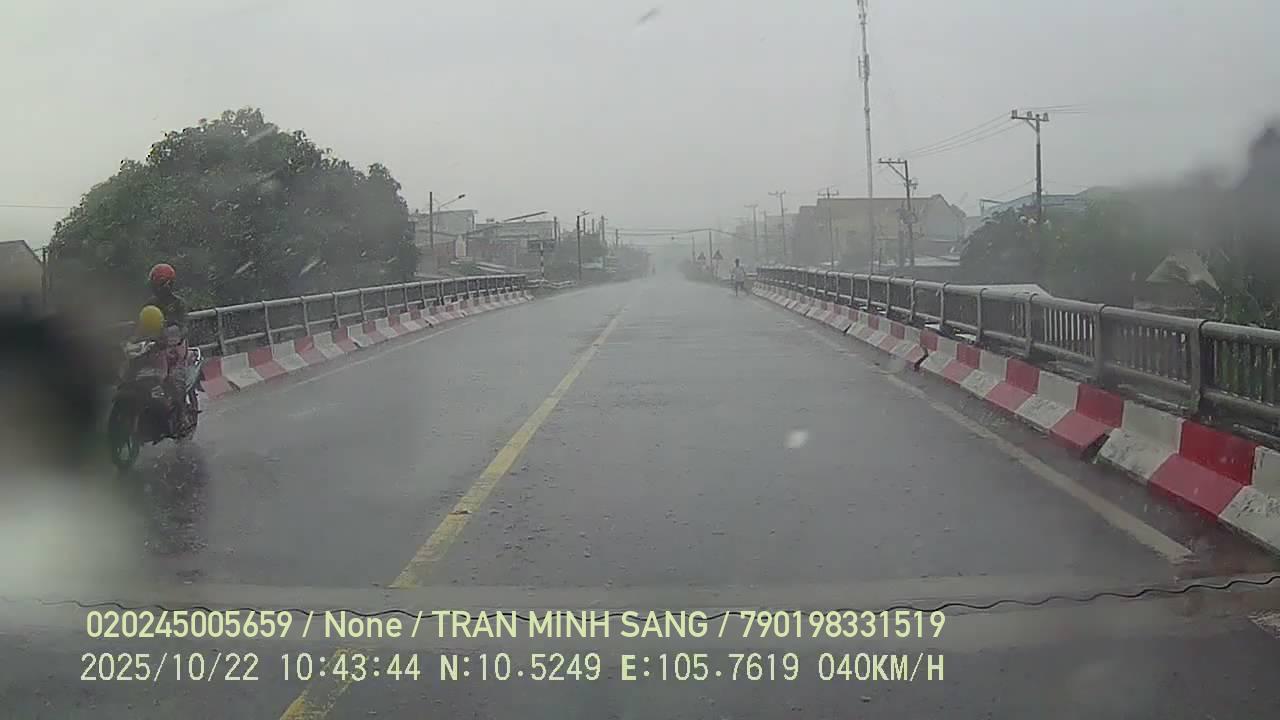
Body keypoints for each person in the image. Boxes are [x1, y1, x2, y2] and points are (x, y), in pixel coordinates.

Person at [145, 263, 192, 431]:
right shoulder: (150, 304)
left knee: (174, 378)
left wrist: (177, 336)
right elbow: (141, 324)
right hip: (156, 345)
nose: (157, 287)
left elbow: (184, 325)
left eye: (160, 284)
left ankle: (182, 415)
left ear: (169, 284)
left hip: (175, 345)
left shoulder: (178, 303)